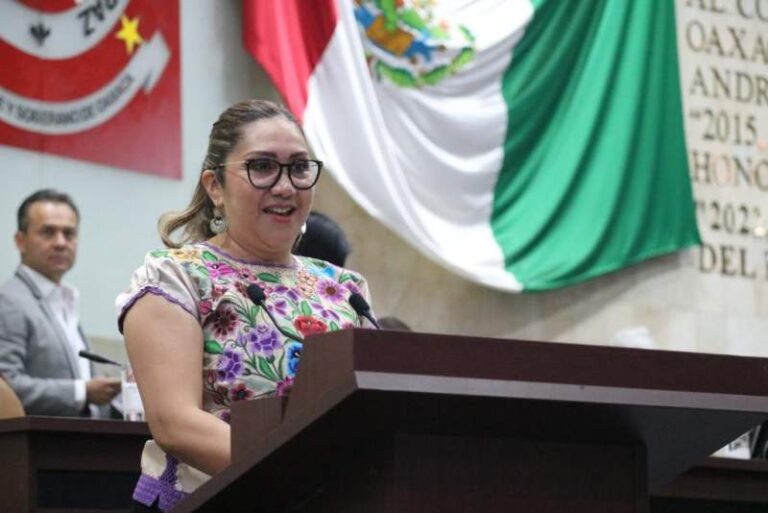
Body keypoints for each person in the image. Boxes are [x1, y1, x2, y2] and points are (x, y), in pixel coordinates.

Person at [116, 100, 374, 512]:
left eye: (299, 167)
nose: (285, 186)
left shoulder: (345, 288)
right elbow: (174, 424)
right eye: (262, 166)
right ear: (215, 186)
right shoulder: (175, 276)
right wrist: (305, 475)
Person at [0, 189, 121, 417]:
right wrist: (83, 391)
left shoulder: (64, 300)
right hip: (35, 440)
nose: (60, 243)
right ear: (20, 241)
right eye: (48, 232)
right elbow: (6, 387)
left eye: (69, 233)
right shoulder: (8, 302)